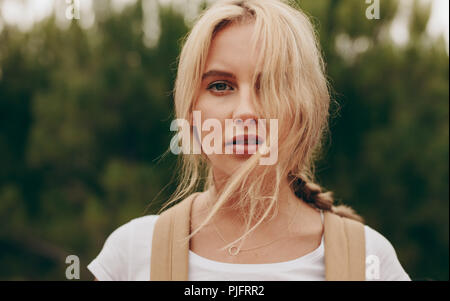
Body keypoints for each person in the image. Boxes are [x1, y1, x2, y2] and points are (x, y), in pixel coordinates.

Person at [87, 0, 411, 281]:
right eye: (220, 86)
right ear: (189, 108)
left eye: (268, 85)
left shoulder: (369, 260)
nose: (246, 112)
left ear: (306, 108)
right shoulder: (131, 254)